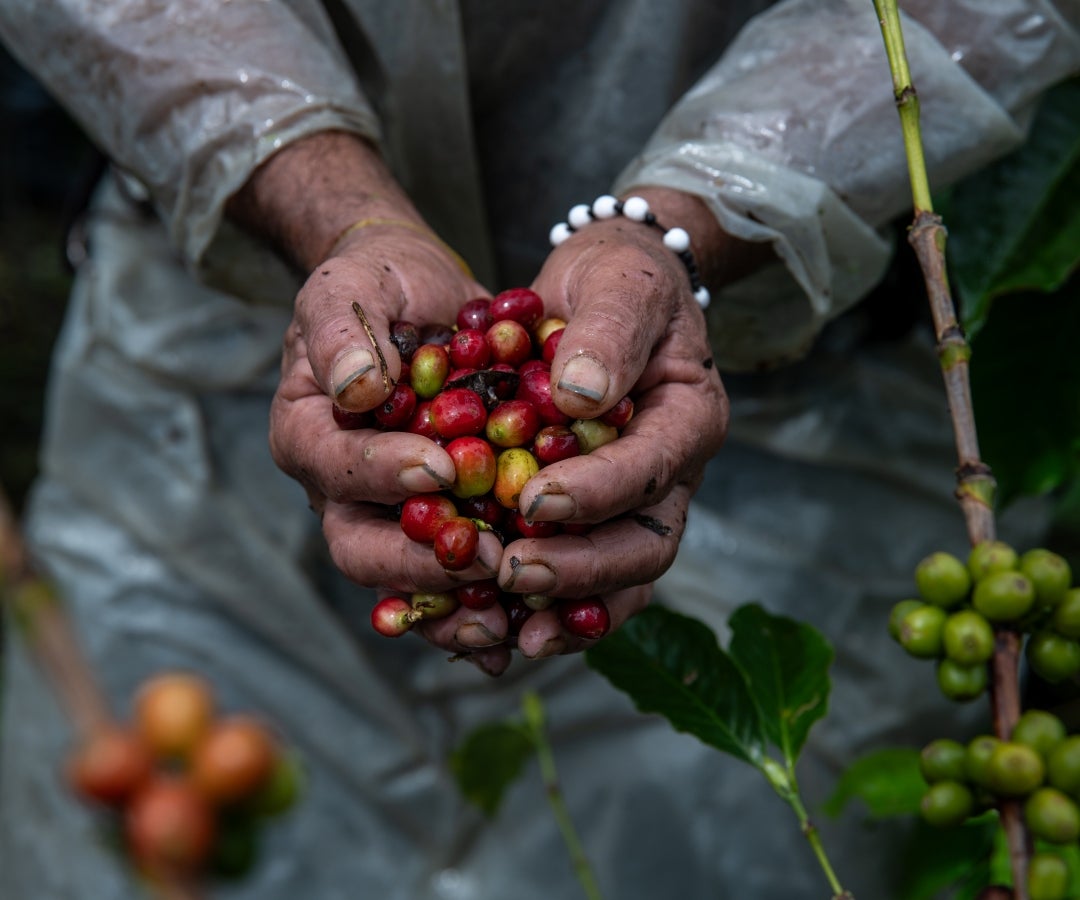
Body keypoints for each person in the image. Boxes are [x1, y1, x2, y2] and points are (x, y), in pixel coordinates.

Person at [1, 2, 1077, 898]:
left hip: (799, 385)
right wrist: (335, 211)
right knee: (131, 821)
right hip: (221, 332)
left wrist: (686, 223)